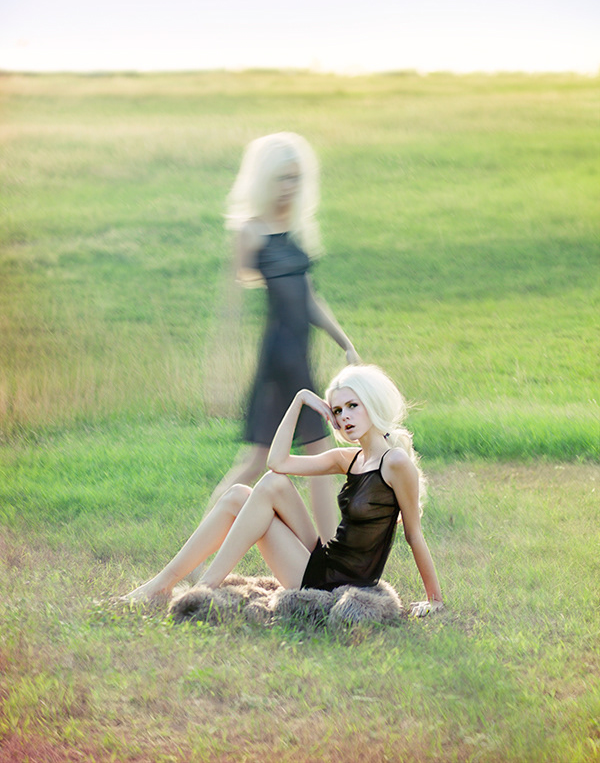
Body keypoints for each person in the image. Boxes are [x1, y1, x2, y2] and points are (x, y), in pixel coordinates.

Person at [123, 364, 443, 617]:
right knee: (244, 492)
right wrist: (300, 400)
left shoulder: (395, 463)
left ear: (372, 403)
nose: (344, 416)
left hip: (335, 583)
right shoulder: (350, 458)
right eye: (337, 410)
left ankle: (204, 589)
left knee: (263, 487)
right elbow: (277, 462)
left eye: (352, 406)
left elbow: (413, 534)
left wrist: (434, 599)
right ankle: (162, 585)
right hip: (325, 560)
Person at [205, 132, 358, 542]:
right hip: (277, 361)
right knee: (256, 460)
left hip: (300, 358)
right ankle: (201, 548)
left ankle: (328, 554)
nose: (290, 186)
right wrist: (219, 372)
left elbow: (309, 298)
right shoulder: (250, 232)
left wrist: (344, 342)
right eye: (282, 178)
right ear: (264, 180)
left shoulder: (293, 228)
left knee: (318, 456)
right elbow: (231, 308)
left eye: (296, 178)